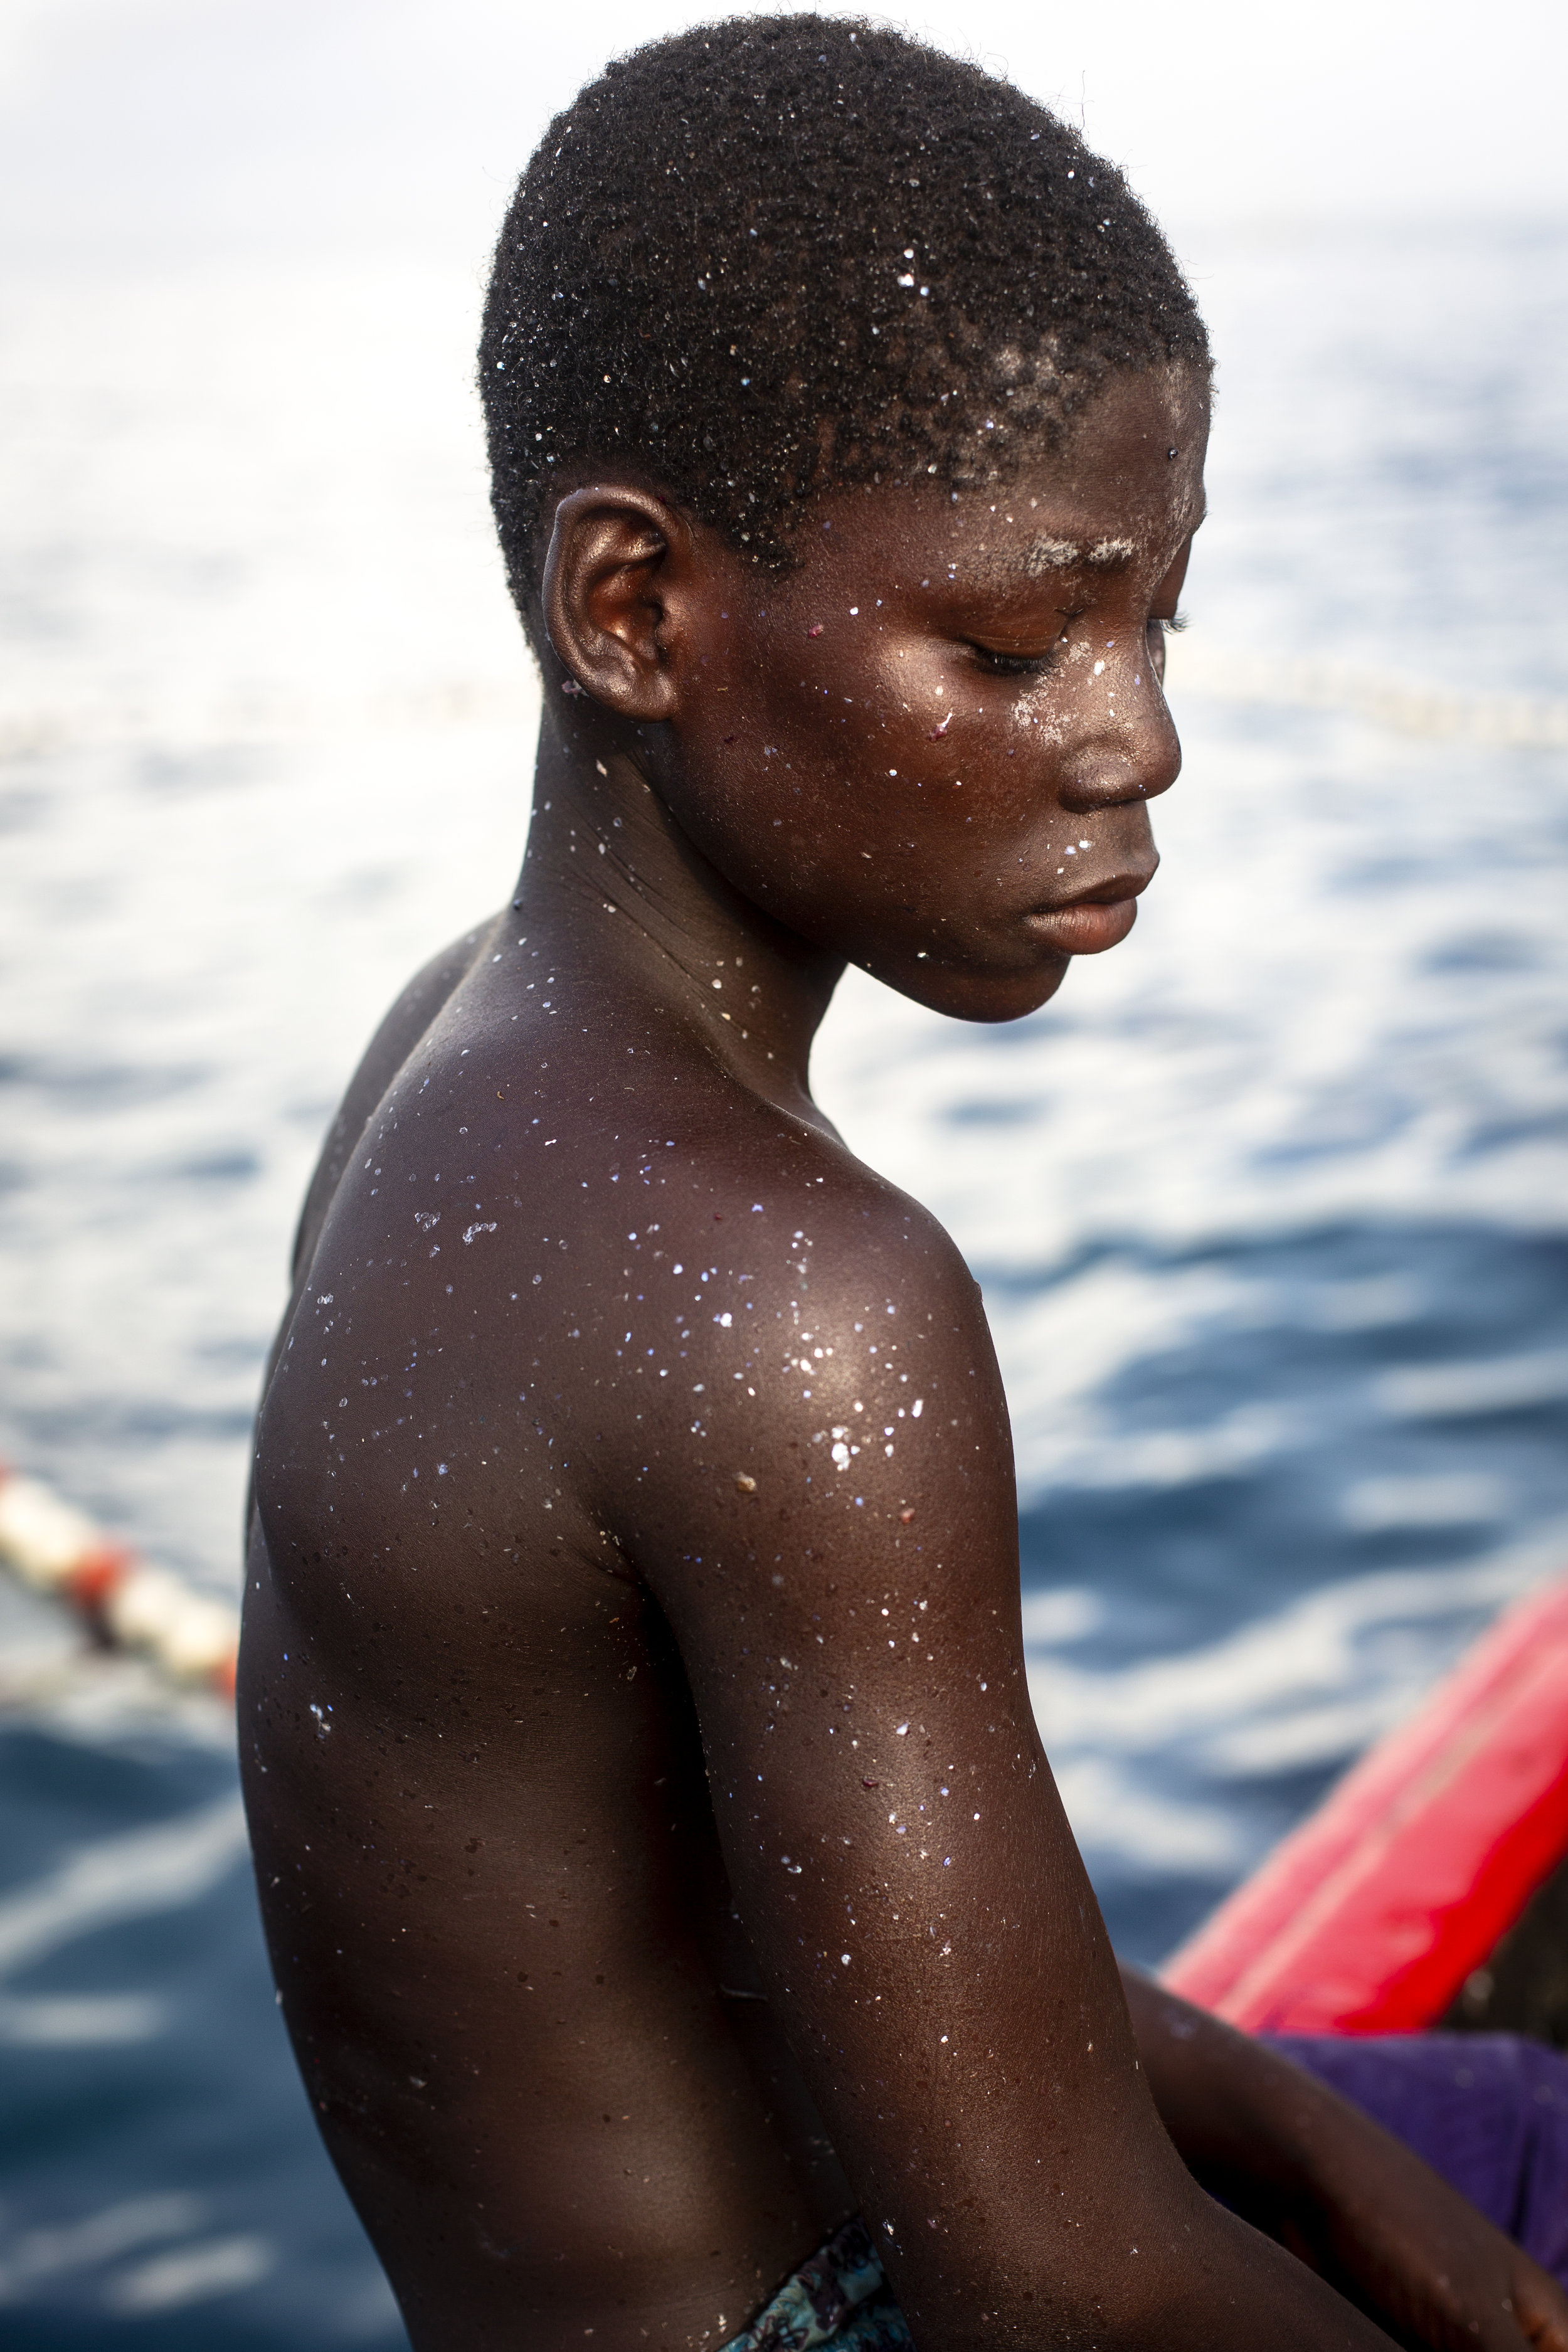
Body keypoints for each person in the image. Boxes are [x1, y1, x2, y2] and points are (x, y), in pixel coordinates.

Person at [238, 18, 1568, 2349]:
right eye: (1014, 637)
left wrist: (1316, 2145)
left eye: (1161, 614)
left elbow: (757, 1924)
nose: (1137, 732)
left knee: (1489, 2147)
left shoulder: (444, 1061)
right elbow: (1053, 2288)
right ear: (634, 611)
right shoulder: (794, 1298)